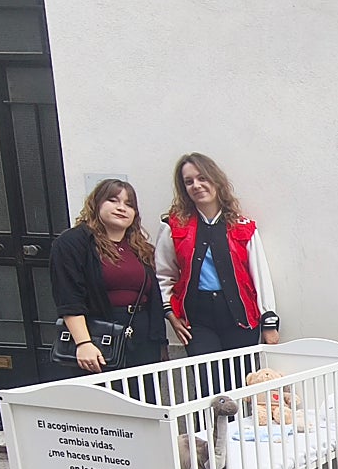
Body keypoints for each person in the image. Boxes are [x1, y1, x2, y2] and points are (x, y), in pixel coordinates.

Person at [155, 153, 279, 366]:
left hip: (240, 318)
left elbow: (260, 276)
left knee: (241, 380)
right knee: (207, 384)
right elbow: (164, 275)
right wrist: (171, 315)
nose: (196, 185)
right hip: (198, 320)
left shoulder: (242, 227)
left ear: (216, 180)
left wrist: (269, 322)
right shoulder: (173, 227)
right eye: (189, 181)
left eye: (202, 178)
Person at [49, 178, 166, 378]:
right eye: (113, 200)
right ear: (97, 203)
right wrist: (83, 343)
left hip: (142, 337)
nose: (122, 208)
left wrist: (160, 344)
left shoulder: (141, 248)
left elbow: (153, 298)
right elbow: (68, 297)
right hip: (98, 337)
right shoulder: (73, 243)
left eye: (129, 204)